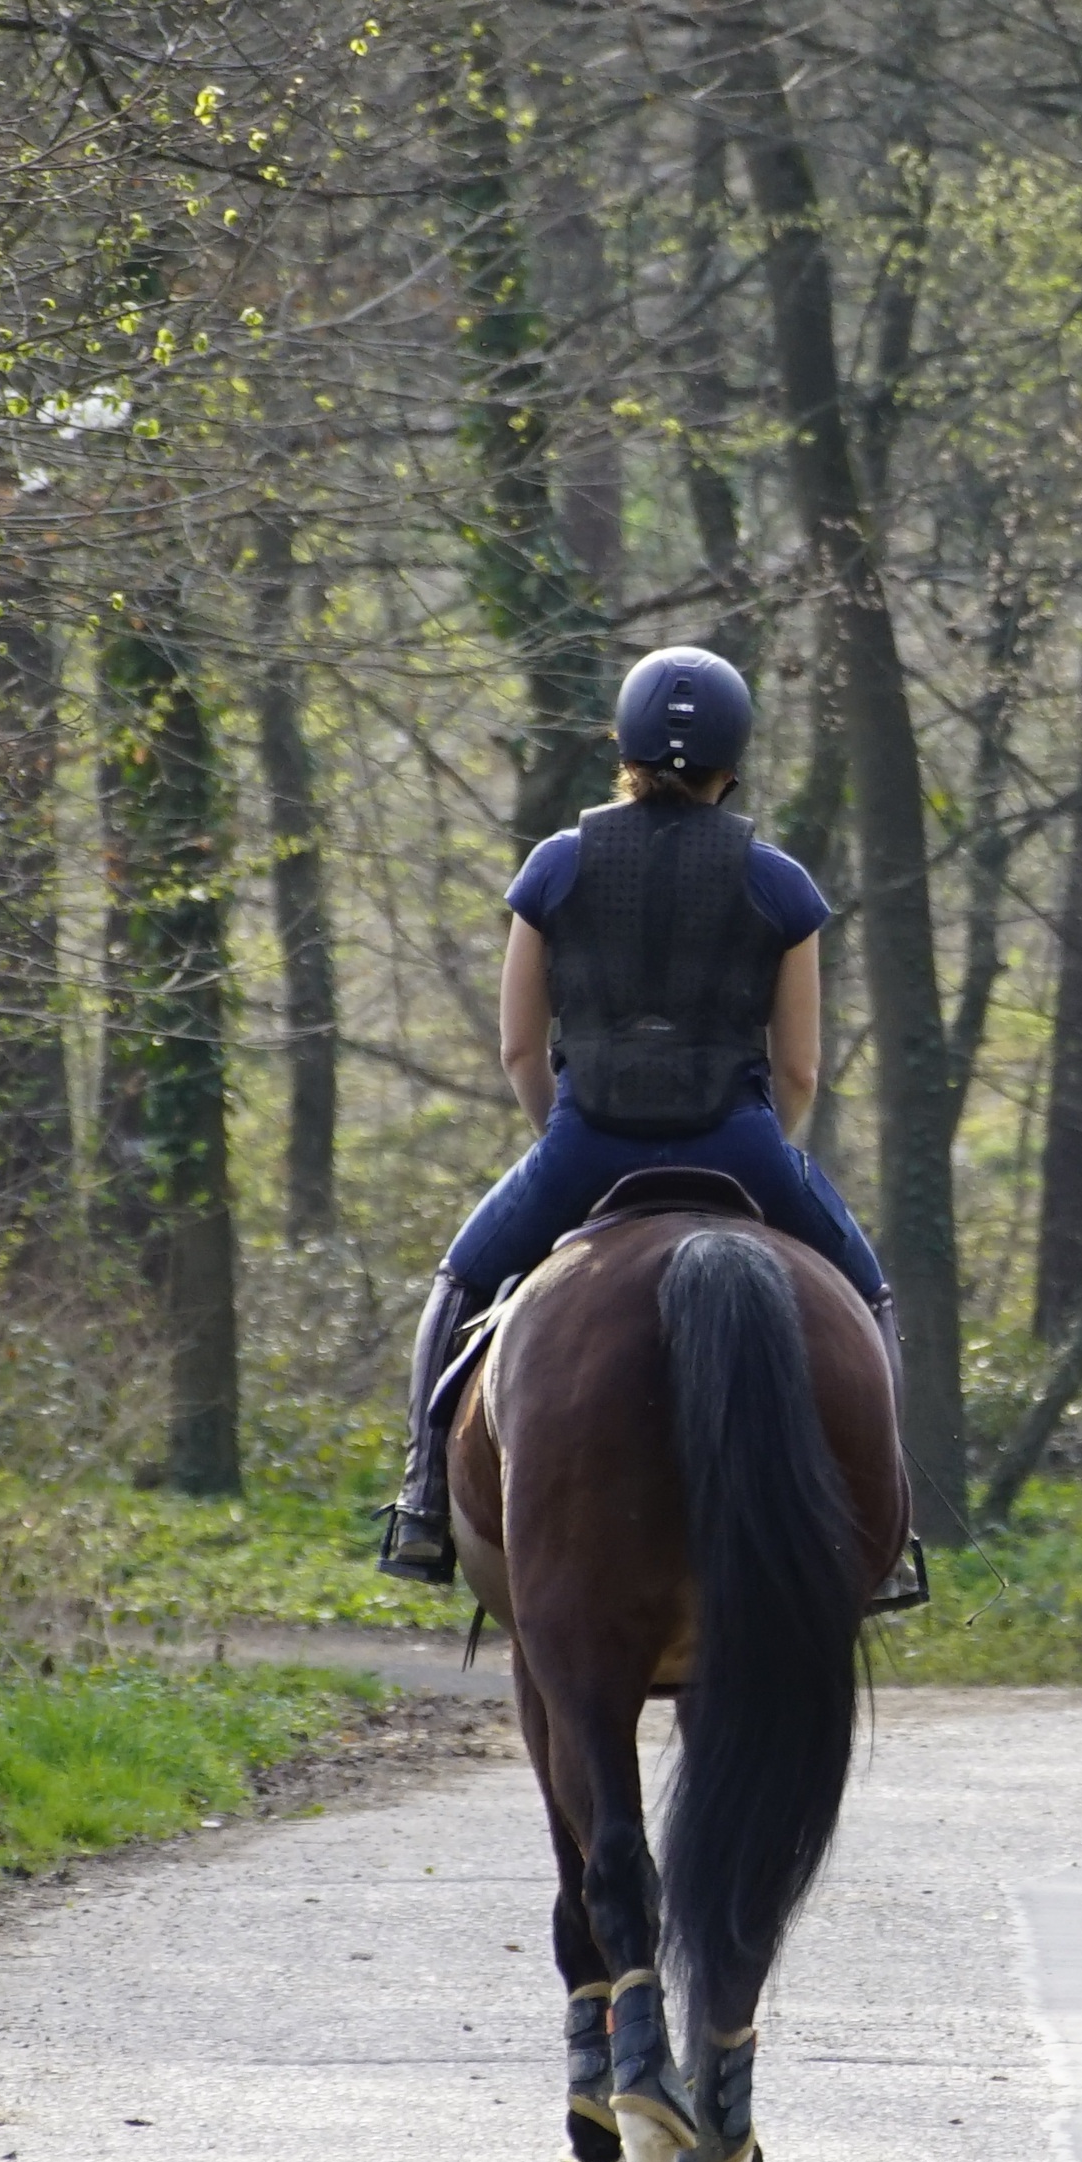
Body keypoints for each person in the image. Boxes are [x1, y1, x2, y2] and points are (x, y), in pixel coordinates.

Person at [379, 645, 895, 1583]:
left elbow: (520, 1050)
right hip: (741, 1145)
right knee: (866, 1295)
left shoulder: (555, 869)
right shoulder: (779, 885)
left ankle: (420, 1500)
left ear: (624, 746)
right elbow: (802, 1069)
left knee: (460, 1281)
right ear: (734, 761)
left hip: (587, 1144)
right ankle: (888, 1530)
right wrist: (766, 1155)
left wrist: (564, 1142)